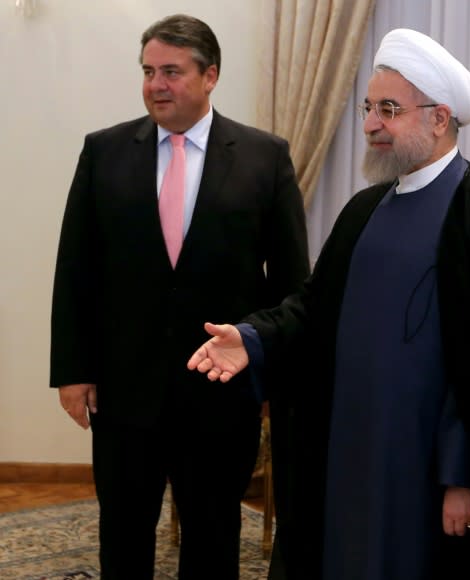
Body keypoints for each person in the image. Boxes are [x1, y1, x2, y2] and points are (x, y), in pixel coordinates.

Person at [188, 28, 470, 580]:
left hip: (426, 474)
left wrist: (464, 477)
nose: (370, 125)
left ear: (439, 118)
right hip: (348, 454)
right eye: (369, 107)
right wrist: (252, 340)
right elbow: (314, 311)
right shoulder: (364, 210)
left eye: (389, 109)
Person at [50, 14, 309, 580]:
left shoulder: (265, 157)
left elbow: (292, 285)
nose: (155, 85)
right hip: (123, 392)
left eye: (171, 71)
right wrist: (72, 371)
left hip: (220, 391)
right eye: (148, 71)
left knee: (214, 538)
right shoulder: (104, 151)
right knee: (122, 535)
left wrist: (272, 374)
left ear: (210, 75)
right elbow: (76, 269)